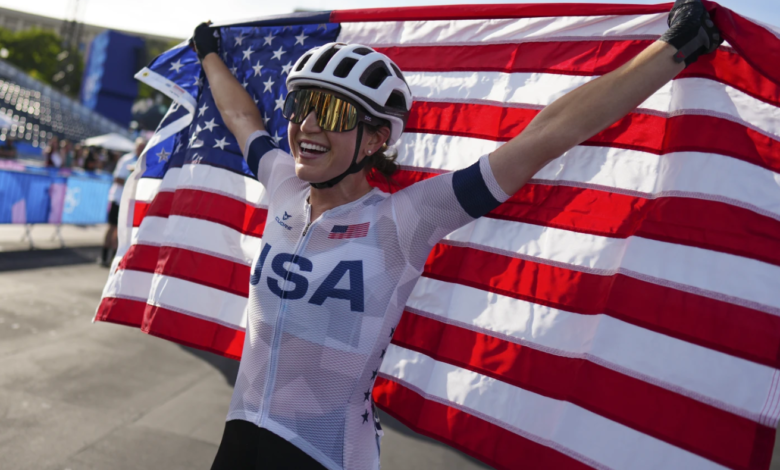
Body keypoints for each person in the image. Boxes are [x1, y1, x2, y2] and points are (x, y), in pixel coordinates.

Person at [191, 1, 721, 468]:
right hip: (238, 437)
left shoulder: (405, 219)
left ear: (377, 138)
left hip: (324, 453)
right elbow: (241, 116)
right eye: (301, 106)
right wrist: (209, 52)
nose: (307, 125)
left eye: (329, 111)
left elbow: (548, 136)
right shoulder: (283, 183)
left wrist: (674, 49)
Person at [99, 137, 147, 267]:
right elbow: (117, 179)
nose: (141, 149)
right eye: (139, 147)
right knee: (112, 227)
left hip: (130, 201)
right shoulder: (126, 160)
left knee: (121, 231)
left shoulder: (145, 161)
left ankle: (115, 258)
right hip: (119, 199)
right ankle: (104, 256)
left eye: (143, 147)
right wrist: (131, 178)